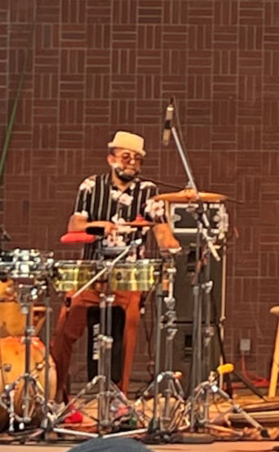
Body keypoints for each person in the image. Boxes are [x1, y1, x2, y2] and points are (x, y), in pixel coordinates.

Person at [52, 131, 179, 402]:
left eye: (137, 159)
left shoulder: (148, 192)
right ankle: (57, 394)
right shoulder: (90, 186)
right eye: (126, 157)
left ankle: (119, 399)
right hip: (92, 272)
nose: (132, 163)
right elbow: (74, 226)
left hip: (129, 276)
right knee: (64, 324)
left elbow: (161, 230)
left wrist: (174, 247)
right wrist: (100, 226)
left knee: (130, 320)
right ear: (111, 159)